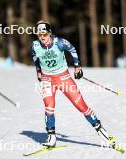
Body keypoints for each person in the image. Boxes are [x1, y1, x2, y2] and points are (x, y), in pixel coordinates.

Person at [31, 20, 116, 148]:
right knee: (49, 107)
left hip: (64, 78)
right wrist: (38, 71)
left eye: (44, 34)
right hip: (47, 79)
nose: (42, 37)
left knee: (81, 106)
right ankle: (51, 138)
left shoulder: (59, 42)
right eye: (39, 34)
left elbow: (72, 49)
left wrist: (77, 67)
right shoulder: (34, 45)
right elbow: (36, 58)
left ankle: (101, 131)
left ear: (50, 33)